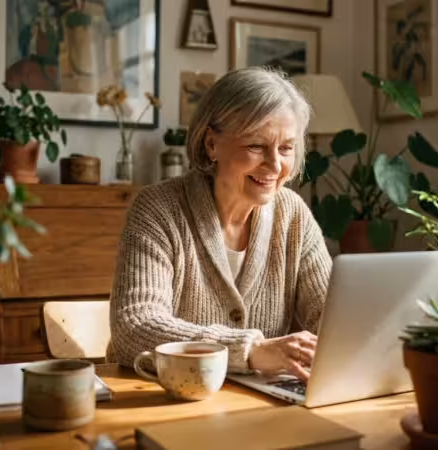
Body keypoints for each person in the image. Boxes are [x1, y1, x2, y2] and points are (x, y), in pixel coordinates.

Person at [107, 66, 332, 381]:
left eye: (286, 148)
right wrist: (251, 350)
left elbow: (332, 318)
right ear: (211, 144)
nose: (275, 165)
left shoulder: (293, 216)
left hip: (253, 406)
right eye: (256, 146)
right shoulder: (158, 209)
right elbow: (135, 326)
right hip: (163, 399)